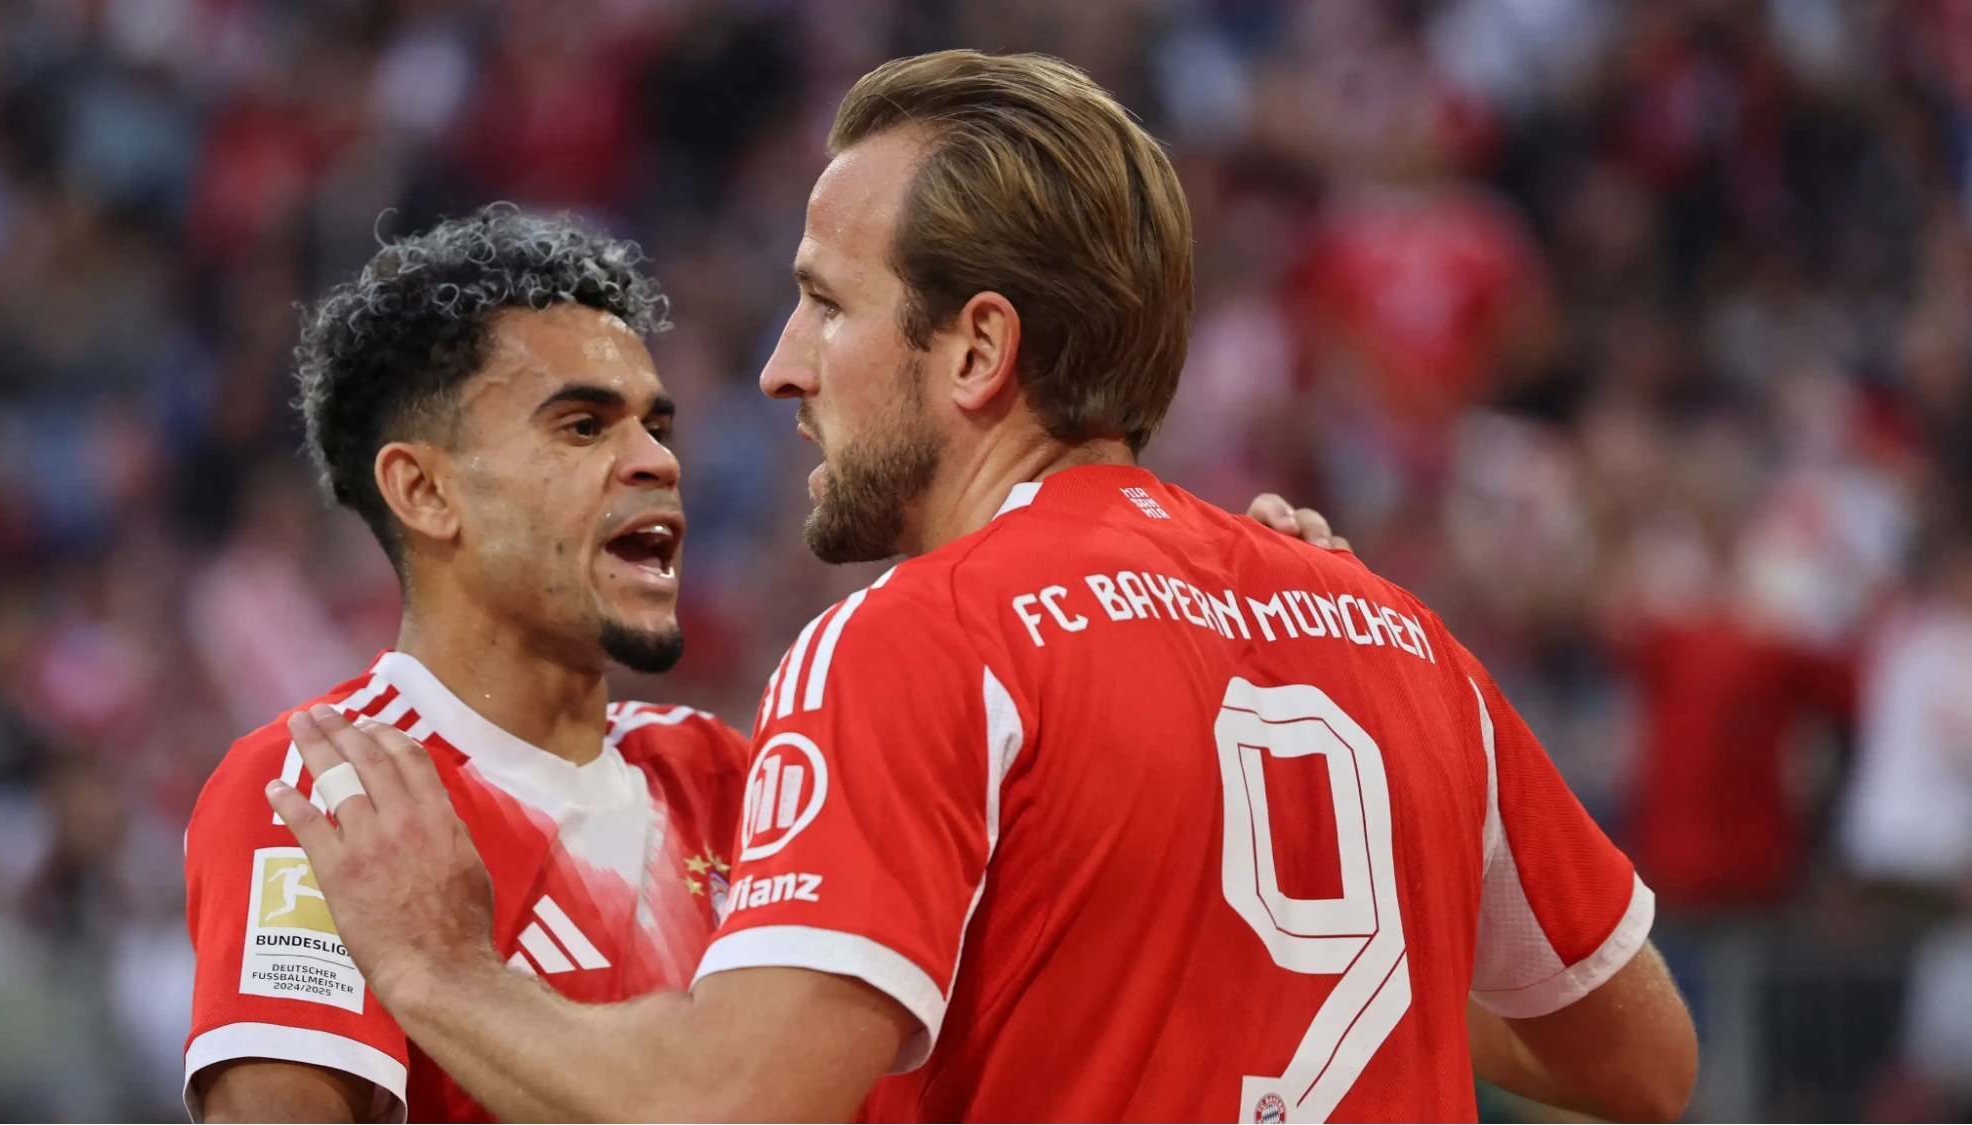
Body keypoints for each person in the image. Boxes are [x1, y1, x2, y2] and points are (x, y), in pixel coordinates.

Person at [266, 51, 1698, 1124]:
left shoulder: (919, 640)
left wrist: (438, 966)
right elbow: (1644, 1062)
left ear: (974, 351)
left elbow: (729, 1101)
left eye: (826, 302)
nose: (778, 367)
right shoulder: (1398, 639)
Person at [180, 208, 750, 1124]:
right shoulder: (326, 791)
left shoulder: (732, 779)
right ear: (425, 490)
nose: (655, 462)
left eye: (656, 427)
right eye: (583, 427)